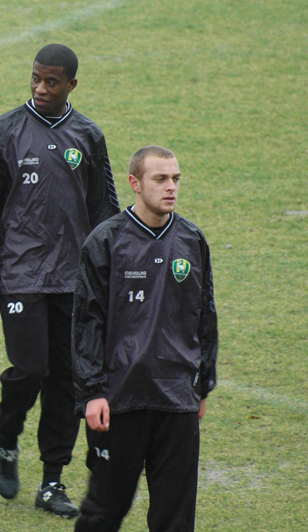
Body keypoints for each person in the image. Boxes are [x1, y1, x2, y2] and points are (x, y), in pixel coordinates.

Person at [0, 43, 119, 518]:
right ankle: (7, 438)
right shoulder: (3, 132)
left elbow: (104, 211)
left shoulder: (88, 135)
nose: (40, 89)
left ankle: (52, 482)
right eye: (35, 79)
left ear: (71, 85)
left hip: (73, 278)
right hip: (19, 272)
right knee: (31, 369)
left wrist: (109, 277)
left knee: (66, 380)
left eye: (51, 82)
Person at [71, 145, 218, 531]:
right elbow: (87, 321)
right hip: (120, 399)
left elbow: (204, 315)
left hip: (176, 398)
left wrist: (202, 384)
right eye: (161, 179)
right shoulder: (105, 241)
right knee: (104, 511)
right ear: (135, 184)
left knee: (175, 517)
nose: (171, 187)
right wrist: (93, 391)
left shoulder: (191, 239)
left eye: (175, 179)